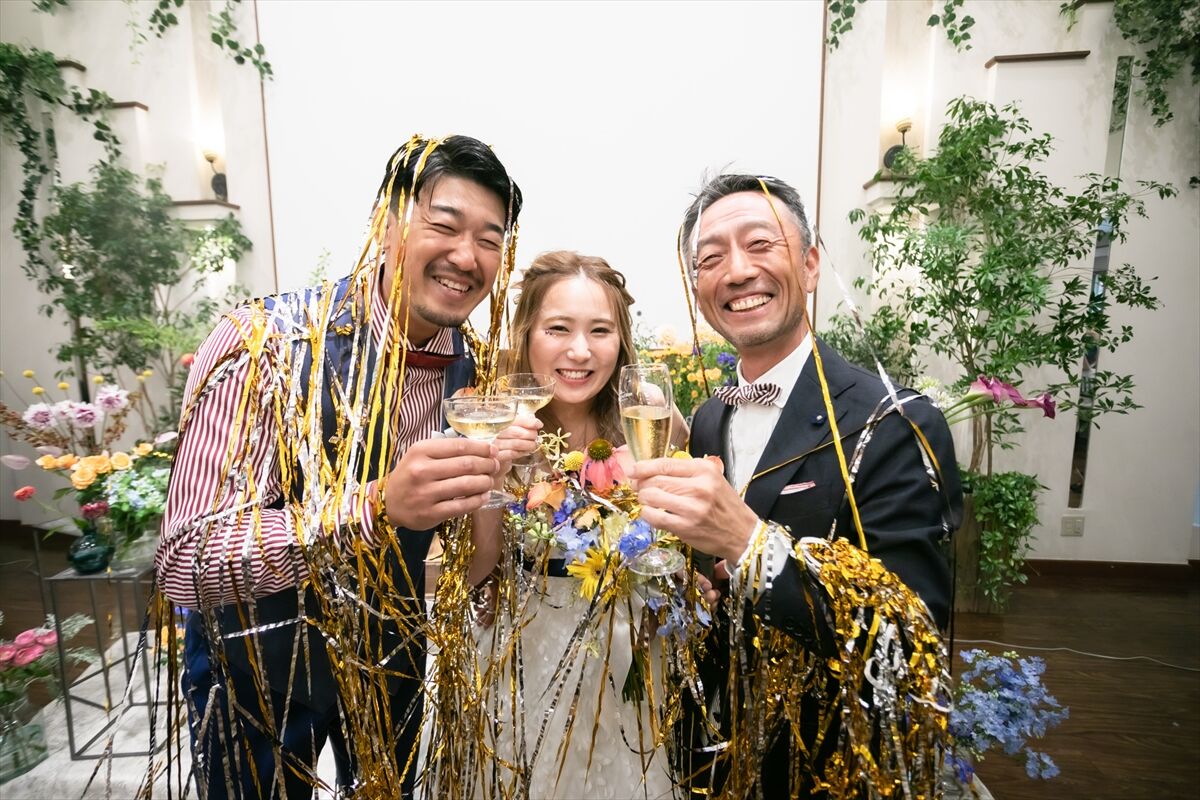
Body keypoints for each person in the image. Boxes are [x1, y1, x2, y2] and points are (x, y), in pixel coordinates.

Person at [158, 135, 535, 799]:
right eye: (445, 225)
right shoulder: (264, 346)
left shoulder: (471, 367)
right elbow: (185, 560)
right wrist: (375, 505)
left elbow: (455, 548)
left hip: (394, 667)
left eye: (489, 239)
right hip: (259, 676)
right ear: (385, 224)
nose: (466, 256)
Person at [630, 174, 963, 798]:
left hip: (826, 763)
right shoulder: (710, 417)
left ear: (810, 265)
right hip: (711, 754)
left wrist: (749, 543)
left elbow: (910, 640)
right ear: (699, 291)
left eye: (761, 244)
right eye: (711, 259)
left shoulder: (896, 422)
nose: (737, 271)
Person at [472, 250, 688, 799]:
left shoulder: (649, 412)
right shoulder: (499, 424)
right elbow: (478, 570)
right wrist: (490, 472)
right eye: (558, 328)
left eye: (600, 330)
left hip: (624, 648)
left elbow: (676, 532)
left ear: (621, 340)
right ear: (526, 334)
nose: (580, 350)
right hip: (524, 650)